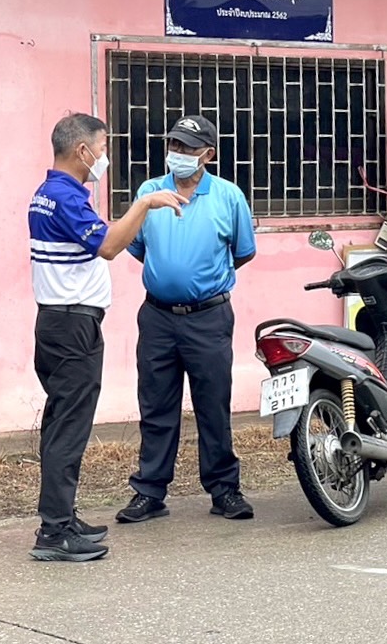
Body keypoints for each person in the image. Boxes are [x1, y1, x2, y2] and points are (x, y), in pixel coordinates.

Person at [28, 112, 186, 562]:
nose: (104, 157)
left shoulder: (49, 194)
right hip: (71, 327)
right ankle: (55, 532)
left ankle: (62, 516)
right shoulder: (65, 198)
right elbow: (110, 247)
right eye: (101, 148)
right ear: (82, 151)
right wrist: (145, 203)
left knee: (63, 421)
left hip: (61, 323)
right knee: (69, 428)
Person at [116, 114, 257, 524]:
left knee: (214, 405)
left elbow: (243, 251)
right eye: (174, 146)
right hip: (158, 317)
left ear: (208, 155)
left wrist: (202, 279)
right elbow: (138, 247)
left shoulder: (228, 196)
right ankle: (149, 492)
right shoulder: (148, 193)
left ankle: (224, 490)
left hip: (208, 318)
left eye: (188, 149)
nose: (177, 155)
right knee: (156, 406)